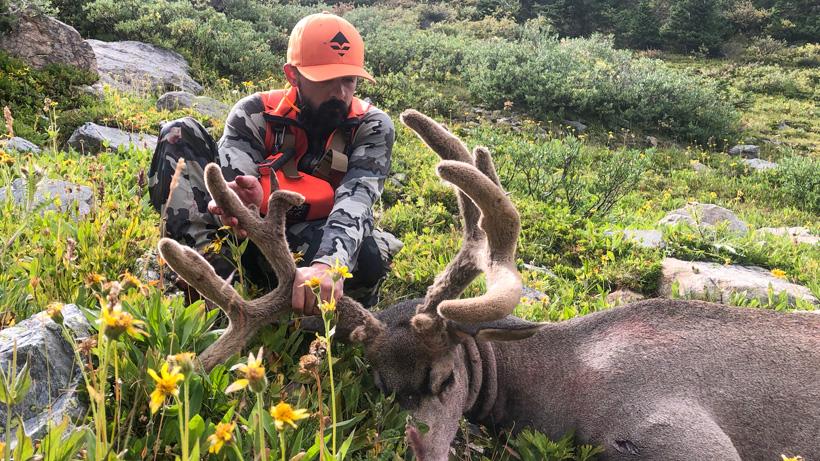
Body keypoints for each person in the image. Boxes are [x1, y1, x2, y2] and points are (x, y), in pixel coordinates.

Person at [148, 12, 402, 315]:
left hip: (311, 236)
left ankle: (313, 311)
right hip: (247, 233)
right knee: (179, 132)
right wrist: (244, 203)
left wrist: (328, 264)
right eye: (326, 79)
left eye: (349, 80)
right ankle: (208, 276)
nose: (341, 92)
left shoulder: (371, 126)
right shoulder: (254, 113)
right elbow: (235, 187)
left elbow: (357, 200)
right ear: (293, 75)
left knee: (367, 261)